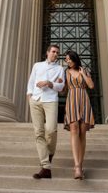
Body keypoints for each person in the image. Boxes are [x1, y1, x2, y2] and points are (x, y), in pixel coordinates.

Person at [27, 43, 65, 179]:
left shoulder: (60, 69)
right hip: (35, 100)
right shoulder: (37, 65)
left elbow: (61, 87)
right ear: (47, 52)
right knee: (38, 133)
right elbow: (31, 82)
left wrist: (49, 83)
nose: (55, 54)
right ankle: (45, 166)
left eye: (57, 53)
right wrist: (29, 97)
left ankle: (48, 155)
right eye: (54, 51)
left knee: (51, 130)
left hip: (50, 100)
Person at [63, 50, 95, 180]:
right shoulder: (65, 73)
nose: (67, 61)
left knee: (82, 132)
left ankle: (80, 165)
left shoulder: (84, 70)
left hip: (83, 99)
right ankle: (76, 166)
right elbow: (62, 89)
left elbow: (91, 86)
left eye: (69, 59)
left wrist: (83, 74)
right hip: (71, 100)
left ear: (75, 59)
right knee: (74, 129)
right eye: (66, 60)